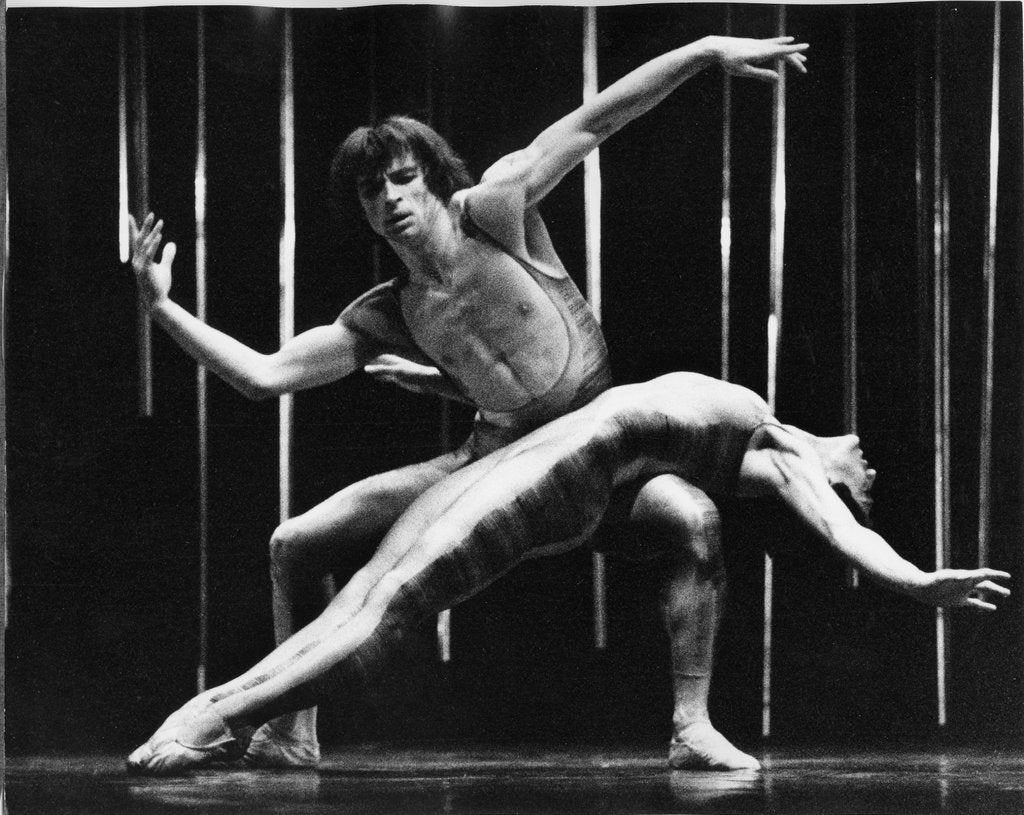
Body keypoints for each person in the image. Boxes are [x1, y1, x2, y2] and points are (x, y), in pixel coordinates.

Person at [128, 34, 809, 771]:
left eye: (401, 179)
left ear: (431, 177)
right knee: (295, 543)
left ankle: (692, 726)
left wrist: (705, 51)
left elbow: (597, 121)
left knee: (692, 518)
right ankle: (294, 729)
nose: (389, 200)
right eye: (370, 192)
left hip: (604, 461)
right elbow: (263, 376)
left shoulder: (499, 209)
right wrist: (162, 309)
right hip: (491, 463)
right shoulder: (391, 310)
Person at [126, 371, 1012, 776]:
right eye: (864, 466)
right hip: (541, 458)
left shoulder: (774, 453)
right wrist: (435, 378)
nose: (861, 464)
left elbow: (837, 532)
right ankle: (223, 711)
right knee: (372, 597)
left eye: (861, 481)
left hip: (560, 475)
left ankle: (215, 713)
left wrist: (911, 578)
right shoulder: (747, 439)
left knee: (390, 604)